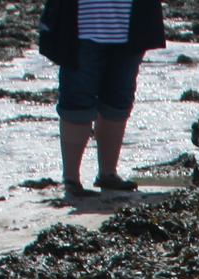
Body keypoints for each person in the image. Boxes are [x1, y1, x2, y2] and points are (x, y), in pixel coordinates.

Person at [37, 0, 167, 199]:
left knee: (118, 102)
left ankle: (108, 173)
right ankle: (71, 179)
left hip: (130, 27)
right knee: (76, 103)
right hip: (81, 29)